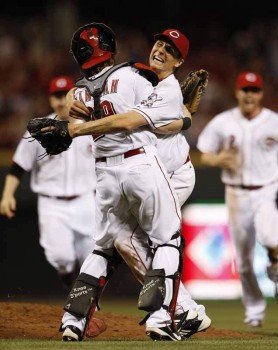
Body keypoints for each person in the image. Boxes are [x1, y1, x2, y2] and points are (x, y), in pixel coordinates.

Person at [66, 28, 211, 339]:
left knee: (129, 241)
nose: (160, 50)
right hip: (142, 174)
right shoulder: (139, 78)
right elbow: (93, 88)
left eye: (169, 51)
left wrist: (184, 118)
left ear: (178, 61)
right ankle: (183, 308)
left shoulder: (166, 87)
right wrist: (73, 96)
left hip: (172, 173)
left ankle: (176, 310)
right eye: (159, 43)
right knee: (127, 242)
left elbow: (153, 122)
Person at [0, 75, 97, 292]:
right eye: (57, 96)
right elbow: (18, 166)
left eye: (66, 94)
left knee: (93, 258)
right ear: (50, 100)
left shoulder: (92, 127)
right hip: (52, 204)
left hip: (85, 201)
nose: (62, 100)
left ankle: (86, 304)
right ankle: (68, 280)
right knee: (61, 257)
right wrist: (7, 195)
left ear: (75, 96)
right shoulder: (39, 130)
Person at [196, 71, 278, 327]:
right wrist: (218, 159)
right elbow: (203, 152)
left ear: (261, 93)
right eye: (245, 90)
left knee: (271, 237)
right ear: (237, 92)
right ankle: (254, 308)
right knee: (243, 261)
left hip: (266, 190)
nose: (249, 95)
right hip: (235, 193)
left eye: (254, 90)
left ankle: (275, 265)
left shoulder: (273, 121)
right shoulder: (223, 122)